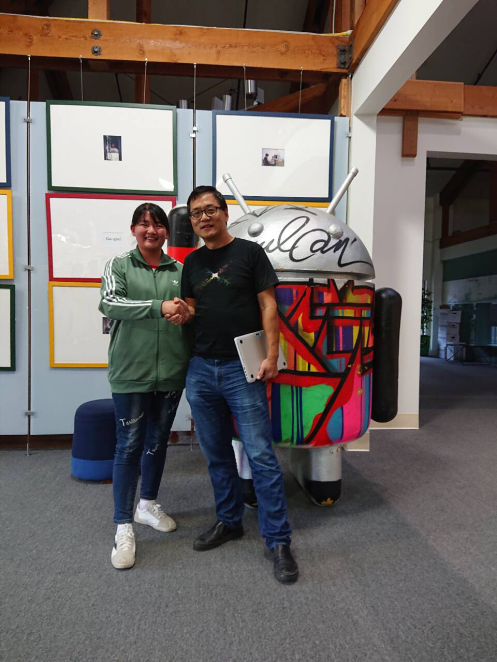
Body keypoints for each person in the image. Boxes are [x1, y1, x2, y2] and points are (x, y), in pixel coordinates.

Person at [179, 185, 299, 584]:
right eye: (196, 213)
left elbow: (268, 304)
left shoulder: (250, 253)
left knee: (260, 455)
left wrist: (272, 355)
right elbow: (193, 307)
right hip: (200, 369)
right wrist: (181, 312)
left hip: (240, 369)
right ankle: (229, 521)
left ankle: (278, 540)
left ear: (225, 212)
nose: (204, 217)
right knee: (216, 454)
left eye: (210, 209)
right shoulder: (192, 262)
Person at [99, 202, 191, 570]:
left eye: (157, 224)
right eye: (143, 224)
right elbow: (109, 304)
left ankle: (147, 505)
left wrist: (185, 312)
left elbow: (190, 310)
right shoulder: (119, 265)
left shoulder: (181, 270)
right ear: (133, 229)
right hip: (130, 372)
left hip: (171, 371)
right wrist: (159, 306)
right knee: (129, 445)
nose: (150, 230)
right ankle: (123, 525)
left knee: (157, 441)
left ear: (167, 231)